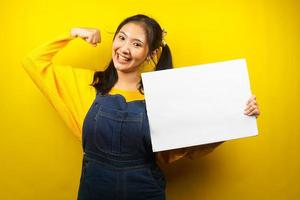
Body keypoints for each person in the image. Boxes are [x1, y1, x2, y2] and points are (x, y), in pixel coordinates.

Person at [22, 14, 260, 200]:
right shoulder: (86, 84)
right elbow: (33, 62)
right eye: (121, 37)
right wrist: (73, 33)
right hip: (95, 191)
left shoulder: (163, 96)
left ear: (150, 54)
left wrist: (237, 117)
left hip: (145, 192)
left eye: (136, 44)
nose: (124, 49)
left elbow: (186, 150)